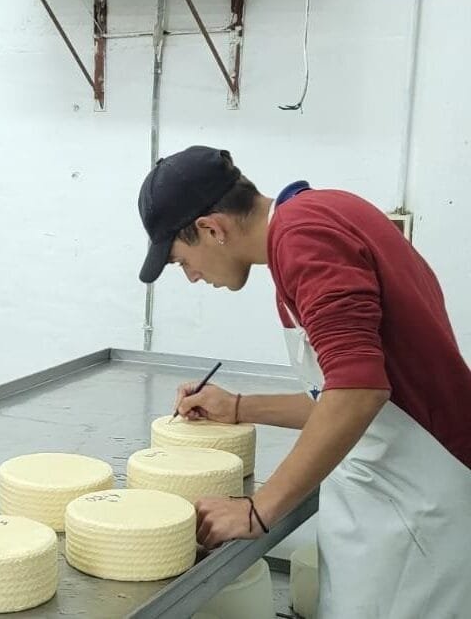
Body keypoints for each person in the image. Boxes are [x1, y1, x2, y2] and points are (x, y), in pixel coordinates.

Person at [136, 145, 471, 618]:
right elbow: (347, 395)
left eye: (181, 260)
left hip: (412, 508)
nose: (191, 276)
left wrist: (259, 509)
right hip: (395, 488)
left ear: (213, 229)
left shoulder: (305, 239)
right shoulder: (322, 213)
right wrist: (237, 407)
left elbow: (359, 391)